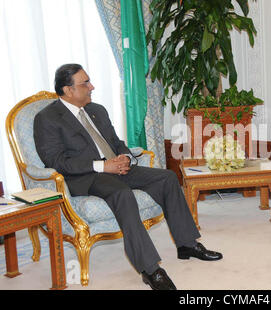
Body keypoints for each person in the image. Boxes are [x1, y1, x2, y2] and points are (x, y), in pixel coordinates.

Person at [34, 64, 223, 290]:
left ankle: (187, 244)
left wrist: (125, 158)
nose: (91, 87)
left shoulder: (97, 110)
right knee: (122, 194)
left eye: (89, 81)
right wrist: (104, 166)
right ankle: (150, 269)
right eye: (85, 83)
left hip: (117, 168)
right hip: (85, 176)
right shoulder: (47, 118)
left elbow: (116, 142)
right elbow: (56, 161)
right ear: (68, 90)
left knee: (167, 178)